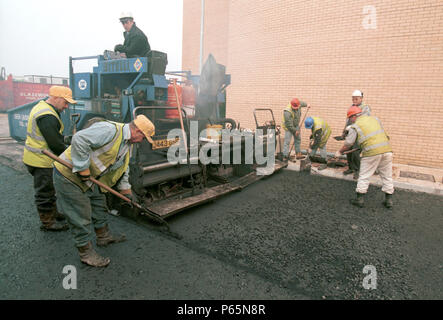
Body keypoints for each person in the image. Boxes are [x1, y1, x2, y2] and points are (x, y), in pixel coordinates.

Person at [53, 115, 155, 267]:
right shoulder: (109, 130)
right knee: (80, 215)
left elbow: (123, 168)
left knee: (99, 204)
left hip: (90, 179)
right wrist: (82, 168)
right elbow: (79, 139)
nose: (142, 141)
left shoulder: (127, 145)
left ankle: (104, 236)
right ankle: (86, 253)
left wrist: (127, 192)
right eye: (143, 137)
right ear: (137, 131)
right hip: (69, 176)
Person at [23, 86, 76, 231]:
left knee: (49, 189)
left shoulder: (43, 107)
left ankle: (53, 213)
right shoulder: (47, 115)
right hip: (40, 160)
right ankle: (47, 222)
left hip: (38, 157)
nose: (66, 107)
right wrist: (74, 158)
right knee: (44, 192)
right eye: (65, 103)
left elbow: (52, 136)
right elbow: (56, 145)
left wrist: (65, 138)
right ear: (57, 98)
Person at [335, 106, 394, 209]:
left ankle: (359, 200)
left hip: (371, 153)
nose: (350, 120)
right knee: (387, 176)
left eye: (350, 118)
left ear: (354, 116)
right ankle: (388, 200)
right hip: (387, 150)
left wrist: (339, 152)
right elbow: (384, 135)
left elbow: (348, 143)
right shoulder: (375, 119)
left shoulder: (355, 126)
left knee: (364, 175)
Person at [342, 90, 371, 176]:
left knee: (355, 152)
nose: (354, 100)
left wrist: (353, 127)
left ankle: (358, 170)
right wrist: (344, 131)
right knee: (348, 151)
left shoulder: (365, 108)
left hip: (358, 133)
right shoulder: (351, 107)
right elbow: (348, 120)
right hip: (350, 131)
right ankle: (351, 168)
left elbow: (364, 120)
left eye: (356, 99)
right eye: (353, 99)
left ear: (361, 98)